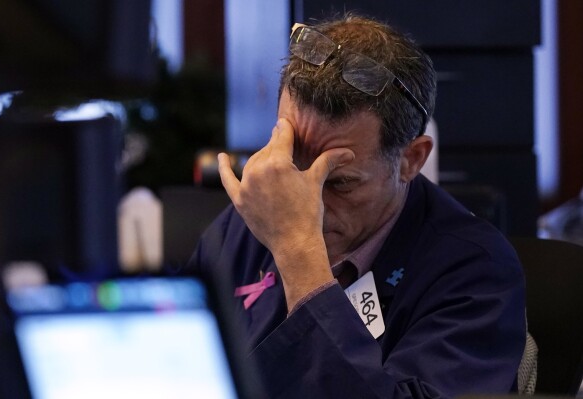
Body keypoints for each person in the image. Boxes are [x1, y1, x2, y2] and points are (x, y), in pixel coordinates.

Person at [187, 14, 526, 399]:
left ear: (411, 159)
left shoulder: (476, 270)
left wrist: (300, 257)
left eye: (339, 182)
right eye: (294, 168)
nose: (306, 203)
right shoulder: (249, 221)